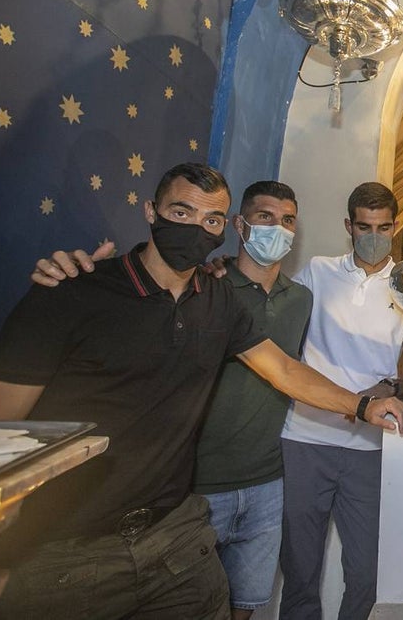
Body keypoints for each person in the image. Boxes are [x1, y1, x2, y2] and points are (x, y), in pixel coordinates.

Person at [0, 164, 403, 620]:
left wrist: (363, 405)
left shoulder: (218, 300)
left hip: (173, 534)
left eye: (210, 220)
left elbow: (283, 369)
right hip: (68, 548)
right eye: (181, 212)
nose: (195, 228)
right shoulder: (71, 292)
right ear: (151, 211)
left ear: (223, 228)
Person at [26, 180, 314, 620]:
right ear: (240, 225)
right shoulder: (210, 286)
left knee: (241, 602)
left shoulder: (298, 298)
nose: (278, 229)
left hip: (261, 482)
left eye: (287, 221)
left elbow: (290, 372)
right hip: (192, 487)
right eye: (265, 218)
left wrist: (367, 404)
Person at [279, 182, 403, 620]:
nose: (374, 235)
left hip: (370, 448)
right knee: (299, 571)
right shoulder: (316, 271)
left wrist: (389, 386)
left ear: (395, 226)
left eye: (383, 227)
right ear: (349, 225)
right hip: (305, 439)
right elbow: (278, 332)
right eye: (364, 226)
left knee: (367, 573)